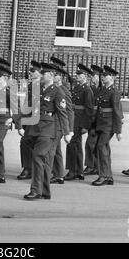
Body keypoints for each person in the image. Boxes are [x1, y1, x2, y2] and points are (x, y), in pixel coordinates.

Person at [17, 63, 71, 200]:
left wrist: (66, 132)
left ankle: (35, 190)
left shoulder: (58, 91)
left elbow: (63, 113)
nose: (41, 75)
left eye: (44, 74)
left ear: (51, 76)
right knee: (43, 161)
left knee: (38, 157)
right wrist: (19, 124)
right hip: (34, 127)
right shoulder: (37, 88)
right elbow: (27, 107)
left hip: (48, 129)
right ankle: (45, 191)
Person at [91, 65, 123, 186]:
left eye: (106, 76)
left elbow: (117, 112)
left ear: (112, 78)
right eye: (102, 76)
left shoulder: (114, 92)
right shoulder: (103, 90)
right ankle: (108, 176)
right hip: (101, 123)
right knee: (104, 149)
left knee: (101, 147)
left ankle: (103, 175)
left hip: (108, 125)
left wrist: (118, 131)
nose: (103, 77)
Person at [64, 64, 94, 181]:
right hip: (74, 119)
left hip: (80, 121)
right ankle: (78, 171)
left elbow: (89, 109)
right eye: (77, 75)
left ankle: (73, 171)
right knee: (76, 146)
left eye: (79, 75)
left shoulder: (87, 90)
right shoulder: (76, 87)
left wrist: (86, 126)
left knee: (72, 144)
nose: (77, 77)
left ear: (85, 77)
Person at [49, 57, 74, 185]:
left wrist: (69, 130)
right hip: (52, 123)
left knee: (51, 149)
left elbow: (69, 110)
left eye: (54, 74)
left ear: (59, 76)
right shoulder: (53, 88)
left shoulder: (63, 90)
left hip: (58, 124)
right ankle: (59, 175)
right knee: (56, 150)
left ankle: (49, 174)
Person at [17, 60, 42, 180]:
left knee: (35, 143)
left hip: (40, 119)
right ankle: (28, 167)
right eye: (30, 71)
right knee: (25, 142)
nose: (31, 73)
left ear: (40, 72)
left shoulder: (43, 85)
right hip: (29, 117)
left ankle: (35, 169)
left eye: (34, 71)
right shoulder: (31, 85)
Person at [84, 64, 103, 176]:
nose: (92, 78)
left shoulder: (101, 90)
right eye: (91, 76)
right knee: (91, 143)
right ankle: (93, 165)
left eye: (94, 76)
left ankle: (92, 166)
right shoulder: (91, 89)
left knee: (92, 143)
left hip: (98, 120)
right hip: (92, 118)